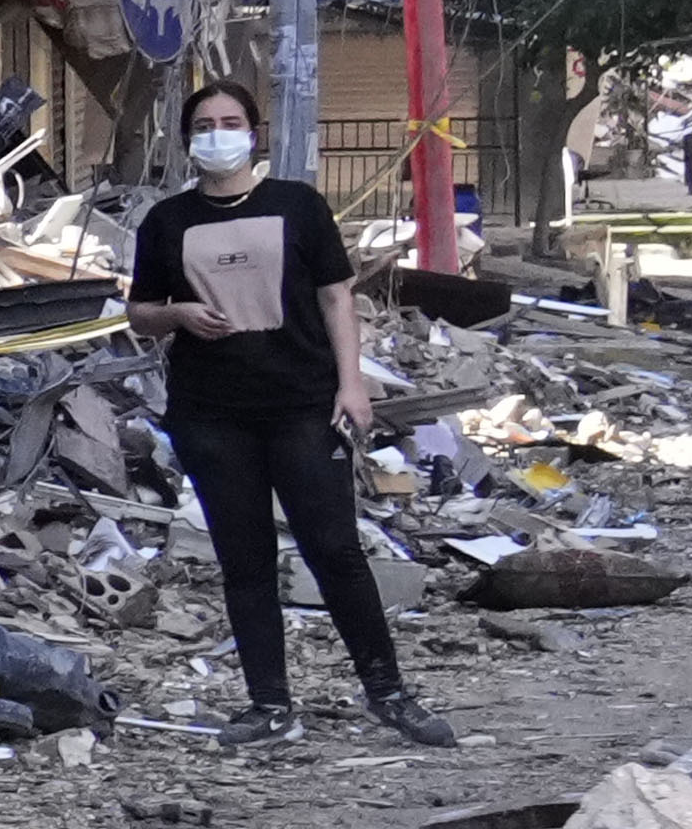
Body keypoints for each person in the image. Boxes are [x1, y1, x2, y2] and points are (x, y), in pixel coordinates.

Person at [125, 83, 452, 748]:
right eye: (205, 124)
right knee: (244, 562)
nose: (219, 134)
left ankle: (388, 692)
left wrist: (352, 385)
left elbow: (337, 298)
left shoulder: (297, 206)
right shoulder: (167, 221)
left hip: (303, 405)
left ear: (254, 133)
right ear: (187, 138)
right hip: (211, 414)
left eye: (232, 122)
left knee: (335, 550)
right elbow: (139, 312)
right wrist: (177, 314)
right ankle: (268, 705)